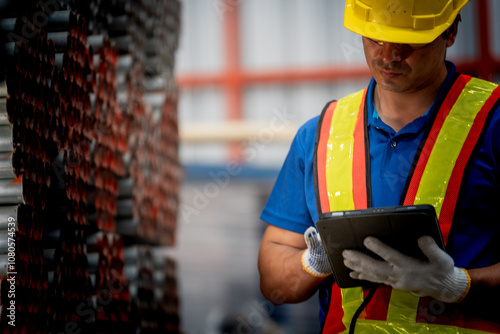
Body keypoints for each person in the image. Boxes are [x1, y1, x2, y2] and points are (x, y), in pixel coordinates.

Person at [257, 0, 500, 333]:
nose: (388, 55)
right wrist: (315, 263)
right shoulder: (318, 135)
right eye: (375, 38)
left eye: (407, 41)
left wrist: (461, 285)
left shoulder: (494, 123)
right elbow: (274, 288)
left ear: (451, 31)